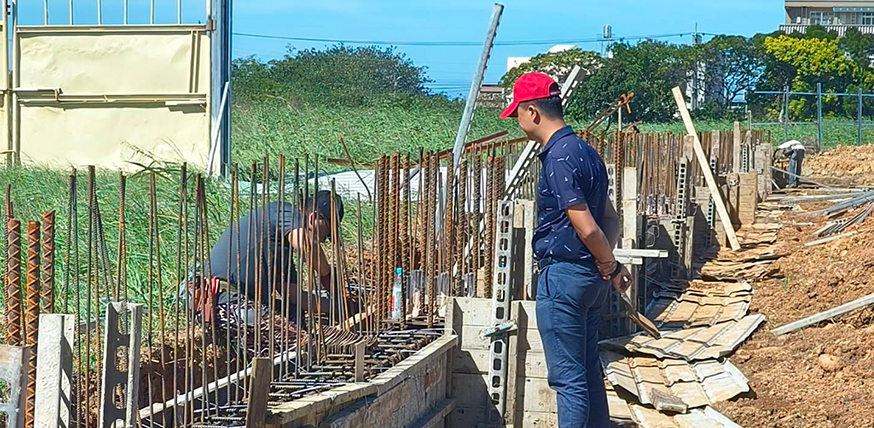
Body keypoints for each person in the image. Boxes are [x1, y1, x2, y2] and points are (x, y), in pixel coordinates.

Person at [499, 72, 632, 428]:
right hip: (590, 280)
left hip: (564, 279)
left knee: (568, 381)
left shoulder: (558, 157)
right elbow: (610, 219)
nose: (518, 121)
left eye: (518, 114)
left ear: (533, 112)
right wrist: (607, 264)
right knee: (587, 372)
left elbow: (587, 226)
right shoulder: (587, 152)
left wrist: (608, 262)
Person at [209, 190, 344, 315]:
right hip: (224, 298)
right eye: (326, 234)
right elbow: (307, 245)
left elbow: (294, 296)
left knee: (294, 313)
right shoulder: (285, 212)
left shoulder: (280, 247)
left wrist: (338, 308)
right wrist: (326, 276)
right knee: (289, 329)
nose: (323, 241)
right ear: (313, 218)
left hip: (236, 301)